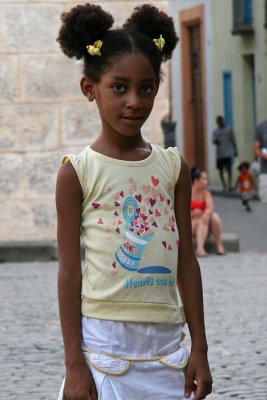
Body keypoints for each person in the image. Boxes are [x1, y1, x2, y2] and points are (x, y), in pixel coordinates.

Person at [56, 4, 212, 400]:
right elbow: (70, 273)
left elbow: (187, 262)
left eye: (146, 87)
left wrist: (200, 350)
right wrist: (75, 364)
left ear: (157, 88)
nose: (134, 101)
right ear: (90, 89)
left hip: (167, 354)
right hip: (103, 349)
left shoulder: (174, 167)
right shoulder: (77, 173)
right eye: (119, 87)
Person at [191, 167, 226, 257]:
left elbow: (210, 207)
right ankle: (199, 248)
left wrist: (207, 212)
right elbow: (180, 214)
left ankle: (219, 245)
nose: (207, 182)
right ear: (196, 180)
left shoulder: (206, 193)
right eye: (204, 179)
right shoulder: (188, 193)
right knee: (201, 220)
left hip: (204, 223)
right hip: (191, 224)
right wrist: (192, 214)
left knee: (214, 217)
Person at [212, 115, 238, 192]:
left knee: (229, 169)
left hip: (228, 153)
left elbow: (233, 140)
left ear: (223, 120)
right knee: (220, 170)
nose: (219, 122)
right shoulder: (215, 132)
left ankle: (229, 184)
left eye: (220, 120)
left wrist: (235, 150)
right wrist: (216, 141)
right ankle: (224, 185)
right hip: (220, 154)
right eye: (218, 121)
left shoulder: (229, 130)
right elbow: (213, 141)